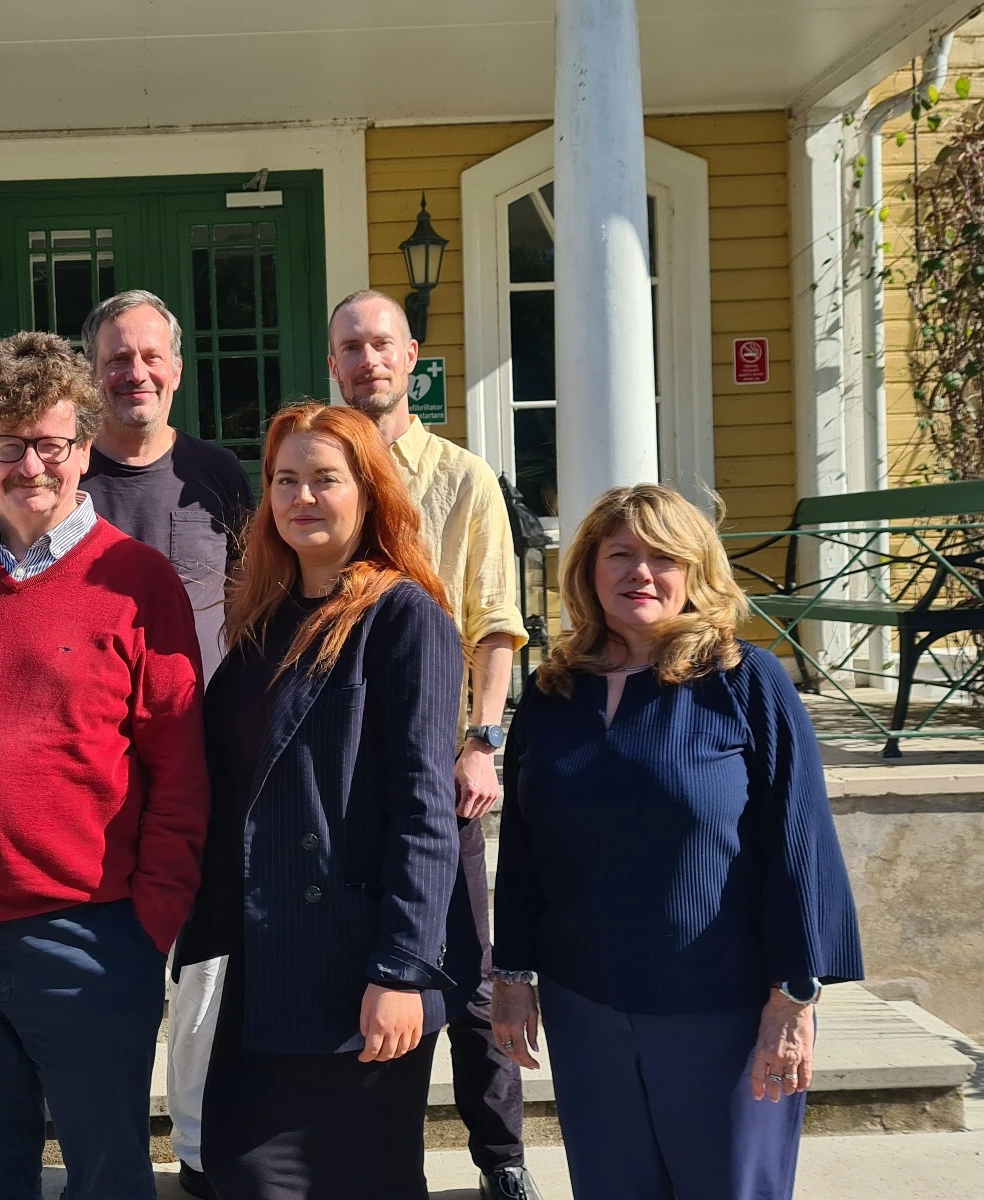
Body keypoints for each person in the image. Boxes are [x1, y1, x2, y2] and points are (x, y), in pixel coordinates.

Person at [0, 330, 211, 1200]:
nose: (31, 465)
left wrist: (151, 922)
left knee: (107, 1174)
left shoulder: (138, 582)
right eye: (8, 445)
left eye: (51, 444)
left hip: (88, 935)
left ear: (84, 449)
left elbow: (179, 763)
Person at [491, 484, 864, 1200]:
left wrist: (794, 999)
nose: (641, 572)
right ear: (588, 573)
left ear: (695, 571)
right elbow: (526, 848)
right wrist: (511, 977)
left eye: (663, 557)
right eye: (620, 554)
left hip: (720, 1012)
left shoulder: (744, 681)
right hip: (585, 1008)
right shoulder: (551, 692)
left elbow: (801, 845)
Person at [176, 402, 482, 1200]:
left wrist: (404, 969)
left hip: (359, 961)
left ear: (369, 493)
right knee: (243, 1172)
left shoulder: (405, 616)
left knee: (361, 1181)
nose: (302, 497)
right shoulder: (264, 620)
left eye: (324, 479)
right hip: (264, 951)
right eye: (285, 480)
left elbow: (424, 808)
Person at [328, 290, 537, 1200]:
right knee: (368, 974)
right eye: (350, 347)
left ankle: (502, 1161)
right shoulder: (316, 471)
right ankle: (381, 1164)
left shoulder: (463, 477)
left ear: (412, 355)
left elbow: (497, 620)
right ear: (332, 361)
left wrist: (484, 741)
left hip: (437, 767)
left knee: (471, 977)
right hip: (338, 773)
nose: (367, 359)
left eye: (382, 344)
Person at [79, 289, 254, 1200]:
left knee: (205, 963)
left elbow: (255, 607)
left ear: (177, 370)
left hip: (205, 758)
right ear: (92, 372)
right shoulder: (63, 482)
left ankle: (193, 1145)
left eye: (151, 356)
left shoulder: (220, 475)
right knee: (108, 966)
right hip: (95, 773)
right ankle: (103, 1153)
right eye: (116, 358)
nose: (135, 373)